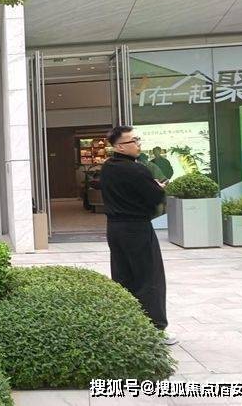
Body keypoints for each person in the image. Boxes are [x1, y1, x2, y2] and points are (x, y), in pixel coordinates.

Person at [100, 126, 176, 345]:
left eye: (137, 139)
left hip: (115, 229)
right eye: (133, 141)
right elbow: (156, 197)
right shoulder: (137, 170)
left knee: (122, 276)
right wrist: (157, 187)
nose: (138, 144)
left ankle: (127, 327)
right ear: (120, 147)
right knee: (149, 278)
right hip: (137, 228)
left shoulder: (107, 168)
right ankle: (155, 329)